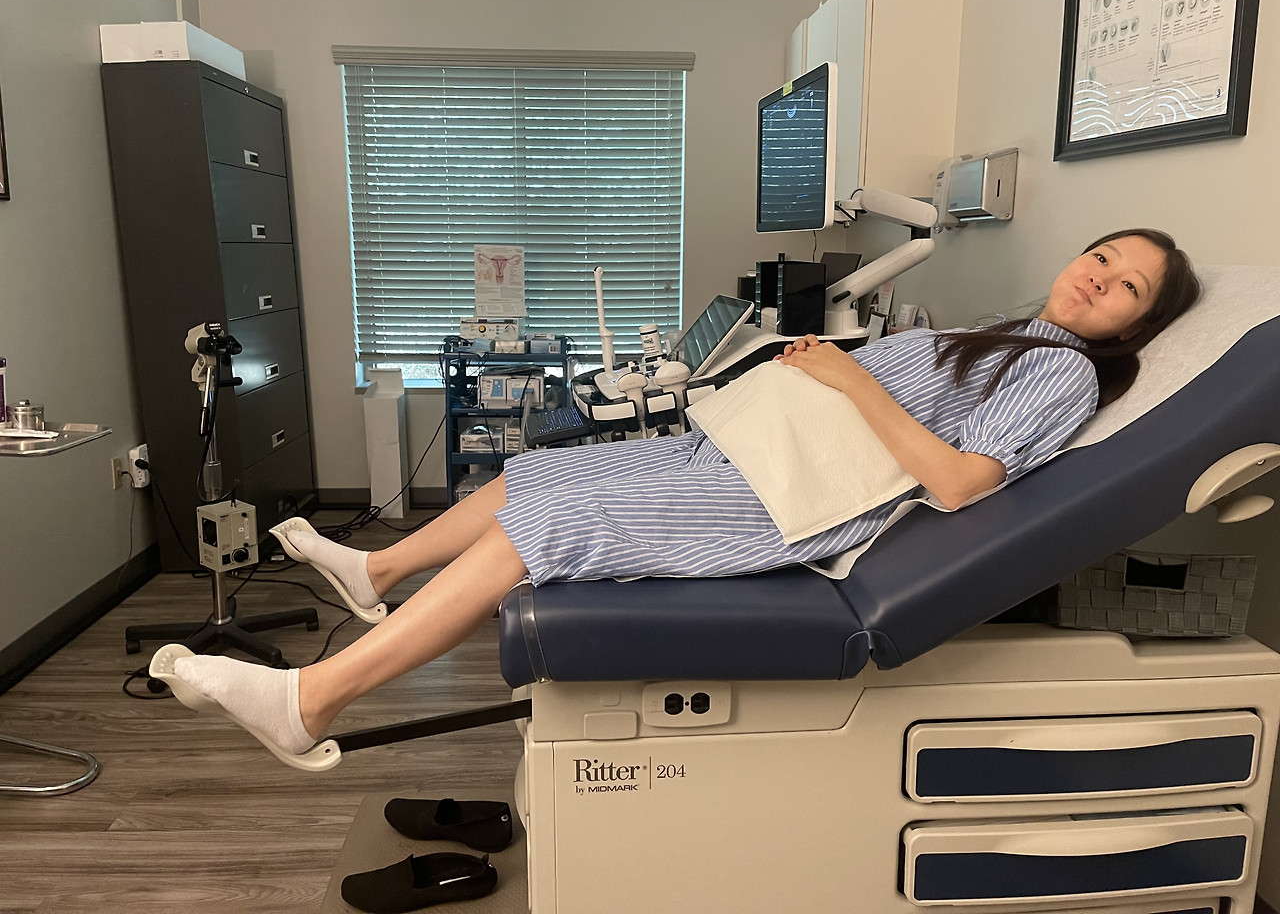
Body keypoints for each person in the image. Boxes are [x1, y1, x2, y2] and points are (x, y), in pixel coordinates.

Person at [161, 228, 1200, 765]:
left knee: (551, 525)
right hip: (755, 459)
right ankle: (378, 569)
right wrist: (823, 372)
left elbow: (962, 481)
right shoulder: (1018, 330)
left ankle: (311, 702)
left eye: (1126, 287)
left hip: (787, 504)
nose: (1097, 278)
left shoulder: (1063, 373)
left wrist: (847, 380)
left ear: (1135, 326)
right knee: (544, 469)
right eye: (1101, 257)